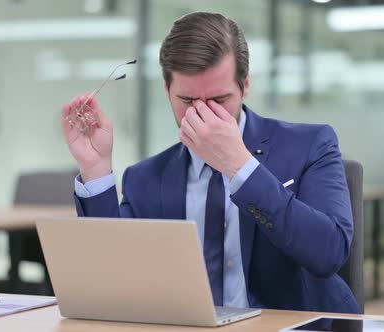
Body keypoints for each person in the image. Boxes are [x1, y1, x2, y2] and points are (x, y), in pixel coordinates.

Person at [61, 12, 360, 314]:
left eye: (219, 100)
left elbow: (329, 253)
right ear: (167, 92)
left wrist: (240, 167)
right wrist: (96, 168)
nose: (202, 114)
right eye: (188, 101)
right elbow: (113, 277)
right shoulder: (145, 178)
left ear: (245, 85)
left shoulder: (310, 145)